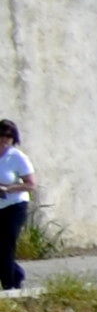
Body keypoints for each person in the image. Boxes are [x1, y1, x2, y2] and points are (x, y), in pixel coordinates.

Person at [0, 119, 31, 290]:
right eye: (2, 135)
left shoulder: (17, 157)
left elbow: (31, 184)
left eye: (9, 136)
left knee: (6, 243)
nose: (5, 139)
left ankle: (8, 285)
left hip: (15, 205)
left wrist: (8, 188)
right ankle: (17, 273)